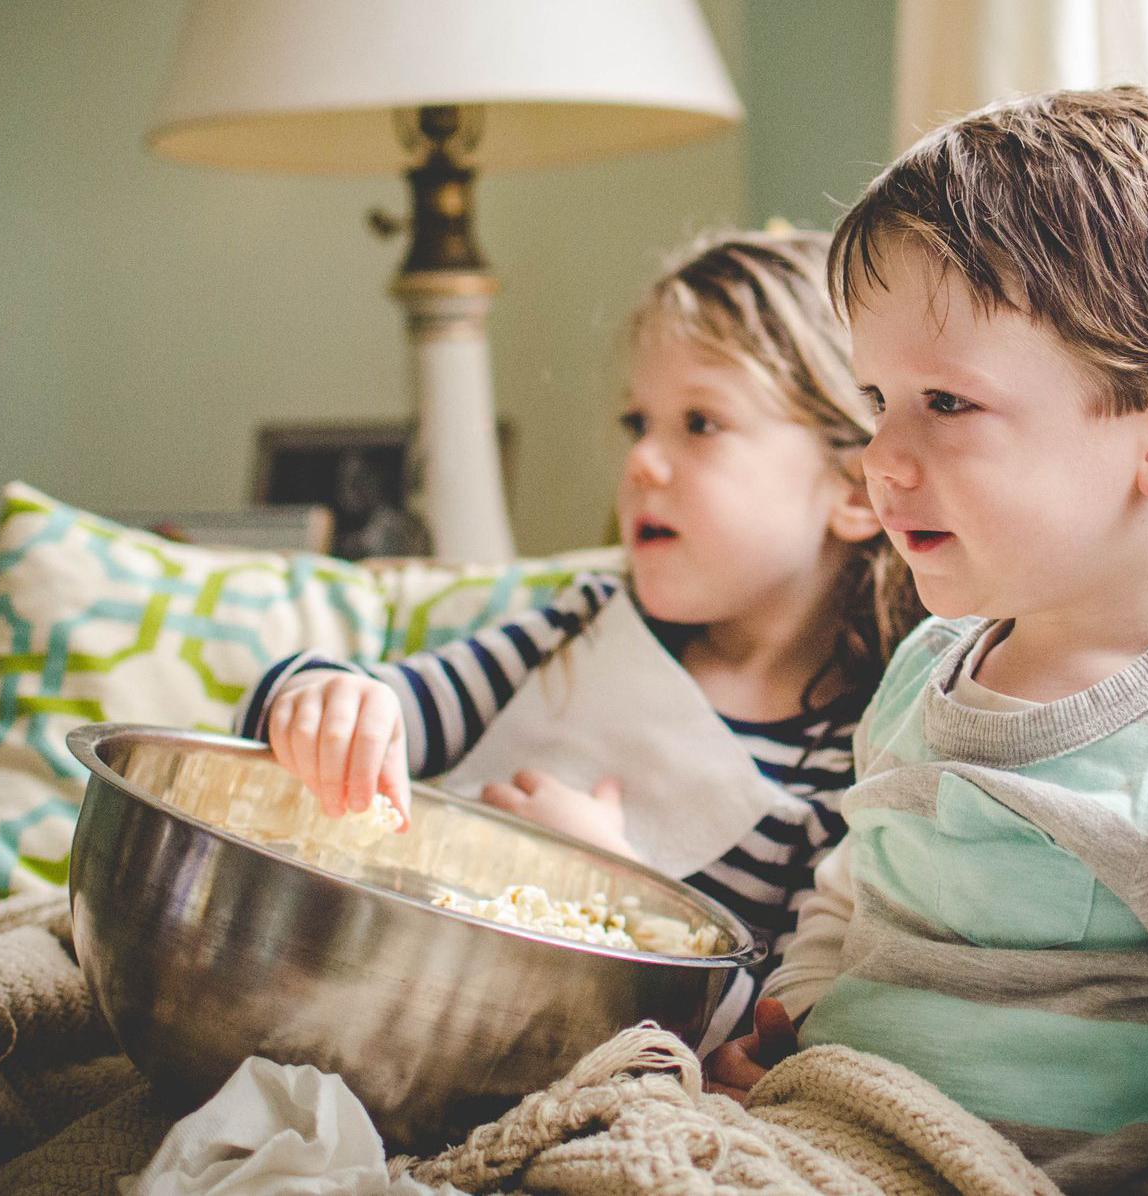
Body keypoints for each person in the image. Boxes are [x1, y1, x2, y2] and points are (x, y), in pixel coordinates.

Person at [707, 88, 1148, 1194]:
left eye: (948, 402)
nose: (882, 457)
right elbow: (855, 886)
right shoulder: (931, 661)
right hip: (824, 1129)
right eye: (879, 399)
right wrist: (793, 1016)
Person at [237, 230, 924, 1046]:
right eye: (640, 421)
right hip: (367, 991)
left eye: (699, 423)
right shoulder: (584, 627)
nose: (640, 462)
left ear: (853, 489)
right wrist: (328, 700)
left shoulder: (850, 765)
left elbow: (759, 1041)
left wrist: (615, 892)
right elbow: (388, 706)